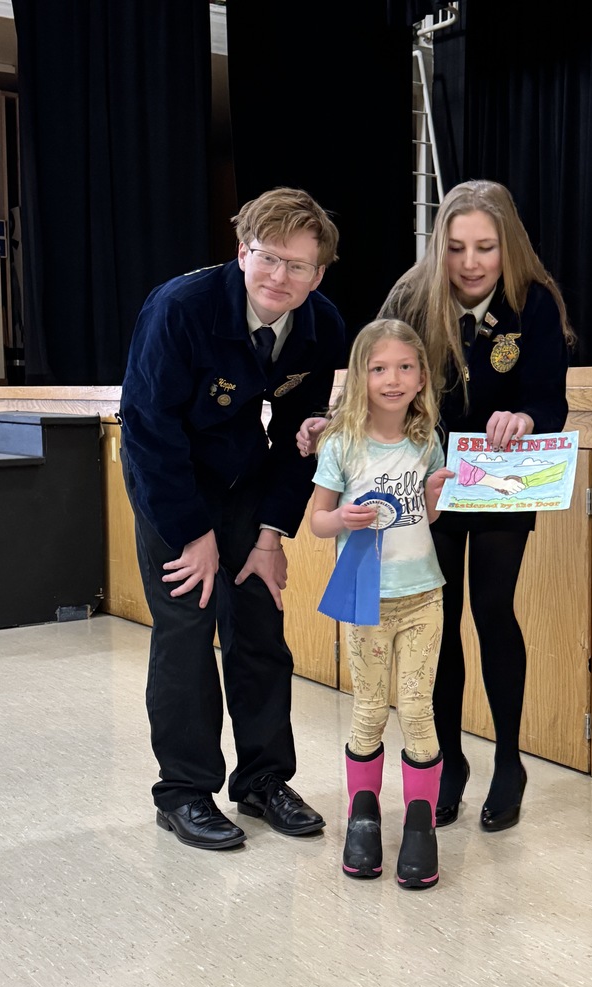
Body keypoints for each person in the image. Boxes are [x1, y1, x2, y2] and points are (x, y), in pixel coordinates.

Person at [298, 179, 575, 834]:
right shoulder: (410, 296)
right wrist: (331, 421)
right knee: (437, 617)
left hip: (500, 477)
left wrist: (526, 414)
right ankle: (446, 760)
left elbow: (551, 399)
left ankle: (509, 760)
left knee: (492, 609)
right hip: (423, 481)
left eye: (485, 246)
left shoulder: (533, 304)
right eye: (456, 247)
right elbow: (375, 366)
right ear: (438, 246)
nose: (471, 262)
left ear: (507, 245)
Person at [119, 187, 347, 851]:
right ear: (243, 251)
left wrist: (272, 534)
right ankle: (184, 791)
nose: (281, 277)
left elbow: (300, 440)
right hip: (171, 477)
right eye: (269, 258)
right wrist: (194, 534)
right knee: (188, 624)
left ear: (319, 273)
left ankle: (263, 780)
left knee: (258, 621)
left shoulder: (320, 324)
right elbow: (148, 427)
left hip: (245, 476)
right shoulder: (180, 309)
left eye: (299, 266)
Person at [310, 318, 453, 888]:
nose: (392, 379)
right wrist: (341, 518)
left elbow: (426, 517)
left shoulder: (427, 440)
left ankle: (420, 826)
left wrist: (437, 499)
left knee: (417, 708)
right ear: (360, 375)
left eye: (405, 367)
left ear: (421, 377)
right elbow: (318, 520)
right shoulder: (341, 443)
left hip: (424, 596)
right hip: (366, 599)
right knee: (370, 709)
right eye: (378, 368)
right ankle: (362, 816)